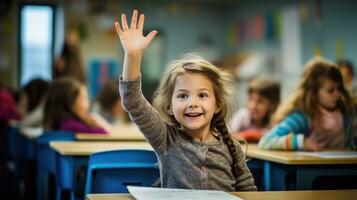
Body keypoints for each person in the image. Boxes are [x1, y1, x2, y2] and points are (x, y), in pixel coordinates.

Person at [115, 10, 256, 191]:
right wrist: (132, 56)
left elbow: (248, 191)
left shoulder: (231, 146)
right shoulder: (165, 138)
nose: (192, 103)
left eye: (203, 95)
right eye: (183, 96)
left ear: (217, 104)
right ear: (169, 106)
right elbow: (132, 101)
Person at [259, 57, 357, 151]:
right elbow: (266, 141)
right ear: (313, 92)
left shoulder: (347, 111)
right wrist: (300, 142)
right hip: (314, 167)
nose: (337, 94)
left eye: (339, 88)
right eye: (331, 90)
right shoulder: (302, 118)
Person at [43, 77, 110, 134]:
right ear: (71, 104)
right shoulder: (71, 125)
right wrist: (98, 121)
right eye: (84, 99)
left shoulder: (61, 125)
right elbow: (104, 133)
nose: (88, 104)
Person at [229, 77, 280, 143]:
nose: (253, 106)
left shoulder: (274, 120)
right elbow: (228, 135)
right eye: (250, 99)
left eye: (260, 101)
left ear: (272, 104)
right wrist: (252, 135)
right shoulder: (243, 115)